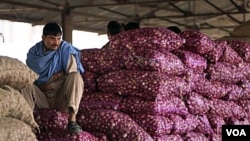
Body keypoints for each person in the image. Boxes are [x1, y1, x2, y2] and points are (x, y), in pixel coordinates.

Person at [20, 22, 84, 134]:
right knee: (25, 84)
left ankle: (72, 120)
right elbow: (31, 78)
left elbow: (70, 75)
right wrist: (55, 77)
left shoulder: (66, 50)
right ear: (43, 37)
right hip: (42, 97)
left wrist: (51, 84)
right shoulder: (34, 53)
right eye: (52, 38)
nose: (56, 42)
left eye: (59, 39)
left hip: (61, 97)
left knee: (76, 77)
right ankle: (29, 123)